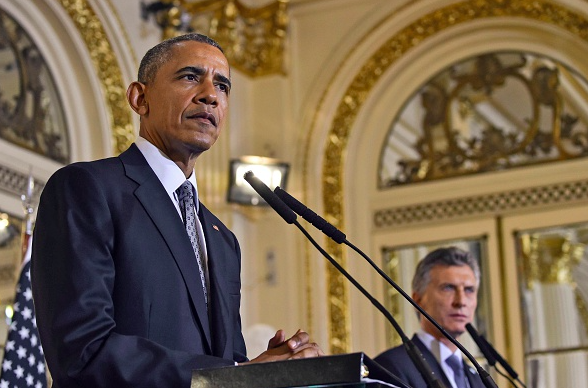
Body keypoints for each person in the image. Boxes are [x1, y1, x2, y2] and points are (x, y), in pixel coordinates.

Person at [31, 33, 323, 388]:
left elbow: (223, 367)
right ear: (140, 98)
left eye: (222, 85)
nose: (210, 95)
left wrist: (263, 371)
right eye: (189, 77)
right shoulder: (87, 188)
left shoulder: (222, 239)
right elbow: (82, 351)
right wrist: (234, 374)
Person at [374, 247, 485, 388]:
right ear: (418, 300)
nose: (461, 301)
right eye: (448, 288)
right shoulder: (390, 367)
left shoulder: (478, 379)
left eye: (469, 290)